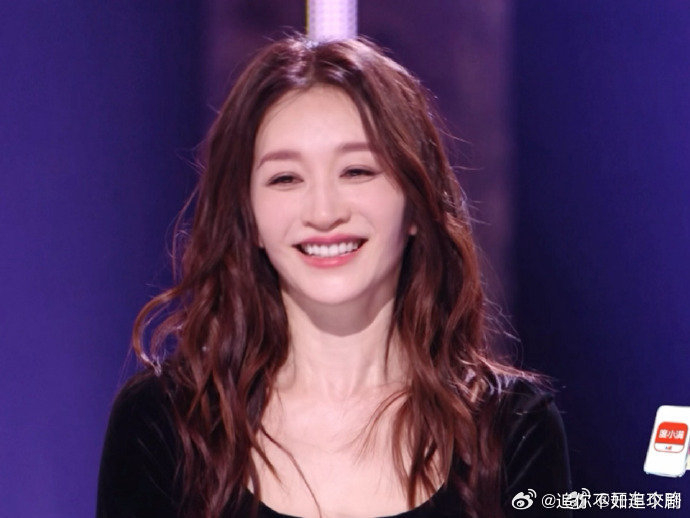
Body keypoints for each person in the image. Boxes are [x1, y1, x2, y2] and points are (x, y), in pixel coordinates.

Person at [97, 35, 571, 518]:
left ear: (416, 202)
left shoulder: (510, 431)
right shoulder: (167, 424)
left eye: (357, 171)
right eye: (286, 178)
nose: (323, 213)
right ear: (249, 217)